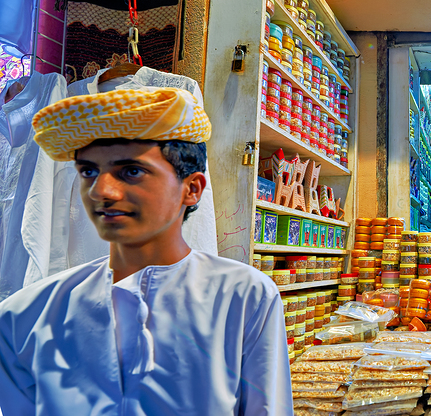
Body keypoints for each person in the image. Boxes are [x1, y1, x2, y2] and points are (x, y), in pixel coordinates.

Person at [0, 87, 293, 415]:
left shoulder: (243, 297)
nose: (100, 191)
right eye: (88, 171)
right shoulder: (24, 317)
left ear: (191, 188)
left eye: (131, 171)